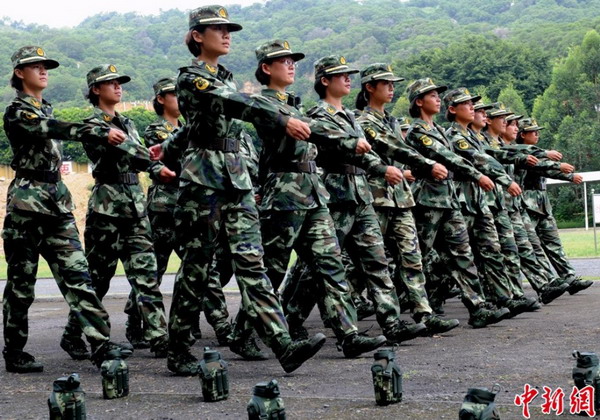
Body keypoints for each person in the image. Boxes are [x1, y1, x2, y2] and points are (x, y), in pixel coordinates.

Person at [154, 5, 326, 375]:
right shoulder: (192, 77)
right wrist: (281, 116)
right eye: (217, 29)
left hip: (237, 180)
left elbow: (193, 127)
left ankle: (282, 345)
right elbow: (232, 104)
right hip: (203, 181)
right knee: (197, 268)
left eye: (228, 29)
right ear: (197, 36)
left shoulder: (224, 78)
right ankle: (179, 348)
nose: (226, 34)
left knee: (252, 262)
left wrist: (166, 147)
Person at [249, 40, 393, 354]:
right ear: (266, 68)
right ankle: (242, 331)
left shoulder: (292, 106)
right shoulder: (264, 105)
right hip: (284, 194)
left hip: (313, 193)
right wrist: (348, 141)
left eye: (292, 61)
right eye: (283, 61)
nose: (291, 66)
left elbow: (311, 129)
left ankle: (349, 335)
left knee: (331, 265)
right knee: (272, 269)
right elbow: (314, 130)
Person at [2, 46, 130, 372]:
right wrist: (98, 131)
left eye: (45, 66)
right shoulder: (18, 112)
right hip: (27, 206)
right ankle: (15, 352)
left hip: (57, 205)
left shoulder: (45, 108)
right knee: (21, 286)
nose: (43, 70)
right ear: (20, 73)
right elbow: (53, 128)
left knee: (79, 276)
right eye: (36, 66)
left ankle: (101, 344)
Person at [61, 64, 171, 359]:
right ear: (96, 89)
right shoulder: (93, 124)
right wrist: (150, 158)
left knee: (146, 274)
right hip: (107, 208)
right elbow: (127, 151)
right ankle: (72, 334)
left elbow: (140, 161)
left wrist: (156, 166)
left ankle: (160, 337)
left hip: (135, 207)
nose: (118, 87)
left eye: (119, 83)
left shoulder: (128, 123)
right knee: (99, 278)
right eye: (111, 83)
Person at [354, 63, 460, 333]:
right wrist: (426, 165)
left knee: (412, 257)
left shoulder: (390, 121)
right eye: (386, 84)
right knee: (367, 262)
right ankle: (350, 307)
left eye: (393, 84)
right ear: (369, 87)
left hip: (400, 198)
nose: (392, 88)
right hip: (376, 198)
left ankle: (423, 315)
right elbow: (392, 148)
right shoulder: (364, 122)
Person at [403, 78, 510, 328]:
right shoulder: (418, 131)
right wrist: (477, 175)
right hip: (428, 200)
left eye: (438, 95)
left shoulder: (440, 131)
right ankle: (411, 309)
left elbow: (470, 156)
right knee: (417, 257)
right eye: (432, 95)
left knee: (462, 254)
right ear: (419, 102)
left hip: (449, 200)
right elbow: (447, 156)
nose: (437, 99)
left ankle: (477, 307)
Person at [443, 89, 538, 316]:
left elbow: (495, 153)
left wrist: (524, 155)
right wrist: (505, 180)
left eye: (472, 104)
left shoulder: (472, 136)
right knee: (452, 257)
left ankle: (504, 299)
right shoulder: (453, 135)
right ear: (453, 109)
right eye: (467, 104)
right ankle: (432, 304)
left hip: (478, 201)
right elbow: (481, 159)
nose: (473, 108)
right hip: (462, 201)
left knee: (492, 251)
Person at [516, 118, 591, 294]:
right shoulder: (521, 152)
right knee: (532, 246)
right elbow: (543, 168)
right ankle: (549, 282)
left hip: (541, 201)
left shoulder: (538, 153)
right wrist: (565, 173)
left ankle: (569, 278)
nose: (537, 135)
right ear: (522, 135)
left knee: (553, 243)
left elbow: (547, 170)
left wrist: (568, 176)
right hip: (527, 202)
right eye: (533, 132)